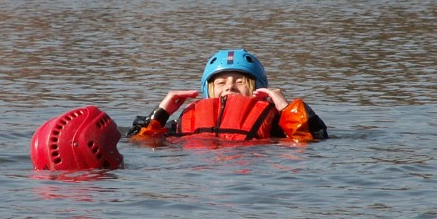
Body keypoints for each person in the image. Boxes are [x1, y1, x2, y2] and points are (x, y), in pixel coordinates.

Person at [129, 49, 327, 142]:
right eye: (221, 83)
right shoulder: (185, 120)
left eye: (240, 82)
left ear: (258, 89)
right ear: (209, 90)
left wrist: (285, 108)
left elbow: (311, 139)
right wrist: (162, 112)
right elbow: (139, 141)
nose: (230, 87)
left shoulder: (275, 123)